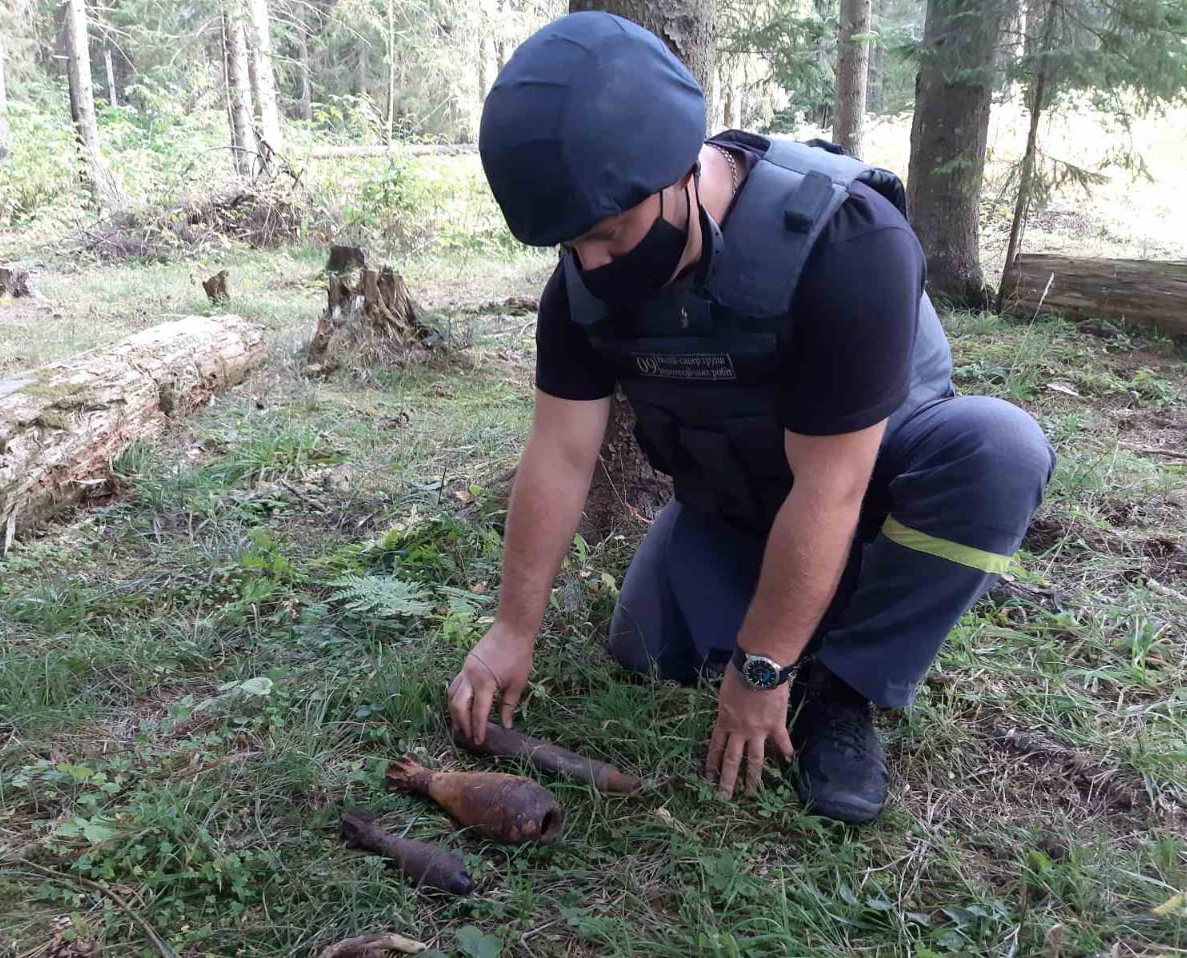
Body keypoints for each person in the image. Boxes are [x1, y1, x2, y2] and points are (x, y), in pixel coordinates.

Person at [447, 11, 1056, 824]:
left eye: (609, 234)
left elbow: (833, 487)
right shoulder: (582, 285)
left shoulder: (849, 241)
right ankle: (801, 610)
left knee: (999, 450)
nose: (591, 265)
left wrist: (763, 671)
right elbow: (559, 452)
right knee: (647, 652)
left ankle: (844, 688)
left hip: (867, 489)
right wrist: (512, 628)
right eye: (568, 245)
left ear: (681, 171)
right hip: (739, 502)